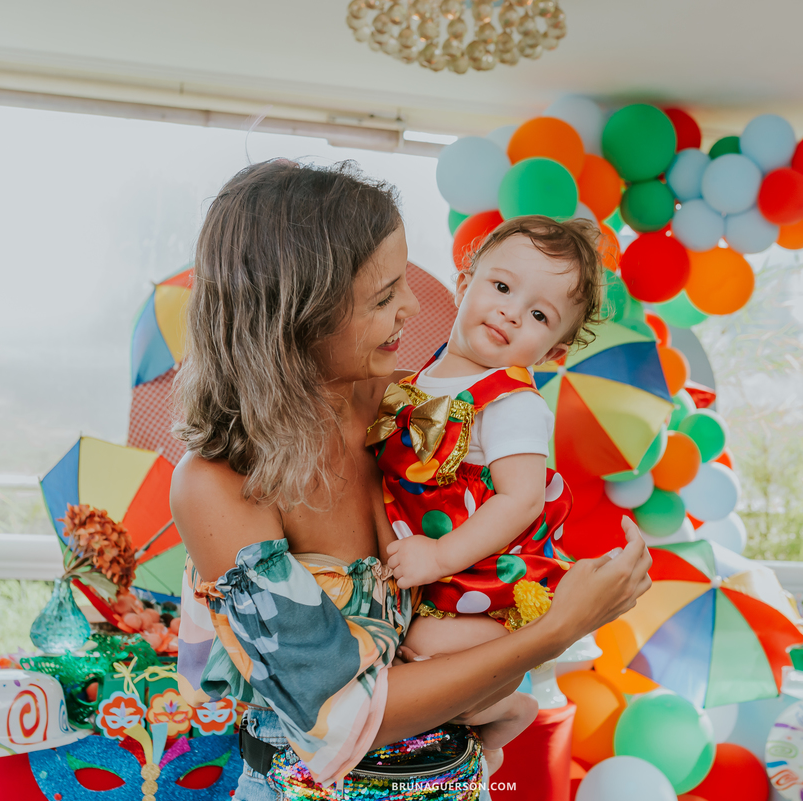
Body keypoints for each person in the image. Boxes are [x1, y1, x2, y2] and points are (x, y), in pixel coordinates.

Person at [170, 159, 651, 801]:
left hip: (456, 781)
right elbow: (338, 722)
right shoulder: (220, 484)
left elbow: (512, 512)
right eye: (383, 295)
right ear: (301, 313)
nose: (414, 306)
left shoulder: (415, 410)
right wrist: (554, 632)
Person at [370, 216, 604, 774]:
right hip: (422, 561)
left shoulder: (511, 403)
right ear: (464, 282)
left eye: (539, 315)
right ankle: (475, 717)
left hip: (474, 576)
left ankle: (503, 710)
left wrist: (438, 557)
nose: (511, 312)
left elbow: (521, 500)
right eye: (501, 287)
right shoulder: (420, 378)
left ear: (555, 349)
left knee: (422, 647)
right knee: (402, 648)